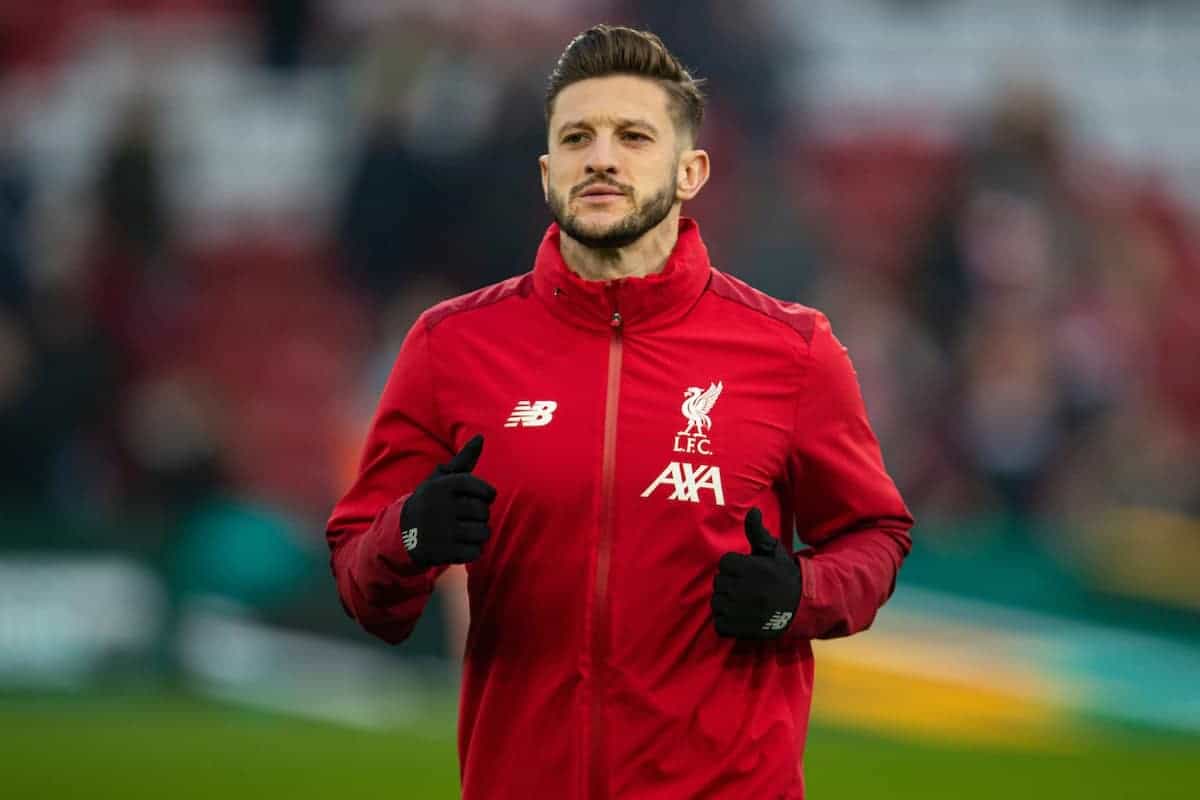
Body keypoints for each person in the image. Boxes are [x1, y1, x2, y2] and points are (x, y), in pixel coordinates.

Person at [327, 25, 913, 800]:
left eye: (633, 135)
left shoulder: (792, 350)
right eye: (577, 137)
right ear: (546, 171)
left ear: (691, 169)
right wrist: (408, 535)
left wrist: (796, 598)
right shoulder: (450, 346)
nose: (601, 157)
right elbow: (360, 579)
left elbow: (876, 537)